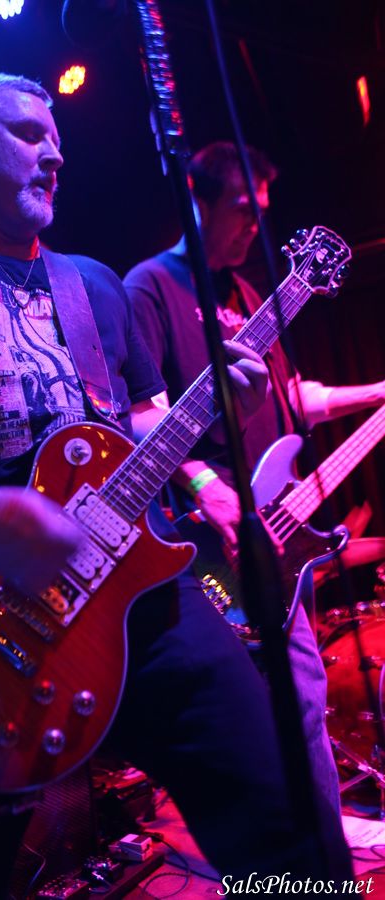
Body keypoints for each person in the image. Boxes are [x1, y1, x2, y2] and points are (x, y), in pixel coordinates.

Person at [0, 79, 353, 899]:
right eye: (28, 134)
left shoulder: (94, 284)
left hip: (139, 592)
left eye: (58, 141)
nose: (54, 155)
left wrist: (212, 409)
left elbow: (137, 423)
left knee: (288, 824)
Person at [124, 140, 385, 820]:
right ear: (197, 201)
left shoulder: (245, 296)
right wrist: (206, 487)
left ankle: (317, 847)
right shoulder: (150, 287)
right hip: (204, 540)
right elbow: (140, 414)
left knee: (302, 696)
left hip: (275, 530)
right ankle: (285, 853)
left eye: (262, 210)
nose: (255, 225)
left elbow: (295, 399)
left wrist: (377, 393)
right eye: (244, 208)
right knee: (252, 711)